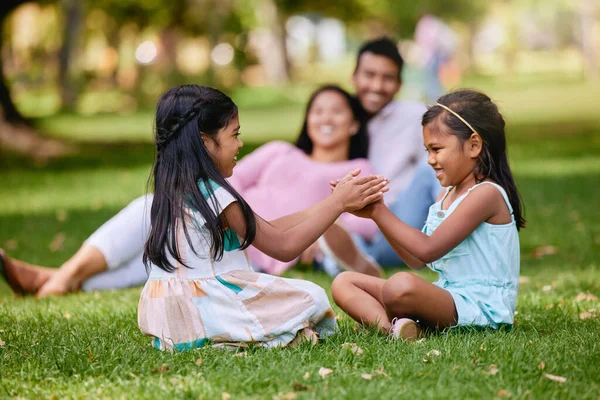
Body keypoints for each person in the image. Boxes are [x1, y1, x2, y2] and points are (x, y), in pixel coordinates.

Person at [0, 85, 381, 298]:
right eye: (318, 110)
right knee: (155, 229)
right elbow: (236, 191)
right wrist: (331, 204)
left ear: (353, 122)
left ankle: (51, 279)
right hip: (233, 231)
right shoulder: (279, 153)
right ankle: (63, 277)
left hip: (255, 243)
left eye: (336, 111)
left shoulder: (356, 170)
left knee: (159, 262)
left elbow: (361, 228)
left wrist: (332, 210)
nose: (326, 118)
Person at [137, 84, 388, 350]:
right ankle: (271, 335)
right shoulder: (217, 193)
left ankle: (263, 337)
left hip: (169, 317)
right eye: (235, 134)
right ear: (204, 141)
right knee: (311, 296)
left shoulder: (178, 188)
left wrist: (330, 204)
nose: (240, 143)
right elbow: (283, 246)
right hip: (208, 305)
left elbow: (267, 230)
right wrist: (338, 204)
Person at [331, 89, 525, 341]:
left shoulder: (486, 194)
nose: (430, 160)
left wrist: (380, 210)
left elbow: (428, 250)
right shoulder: (446, 194)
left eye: (436, 149)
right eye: (427, 151)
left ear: (474, 145)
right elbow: (416, 260)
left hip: (481, 308)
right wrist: (374, 213)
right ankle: (397, 330)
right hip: (448, 295)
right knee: (344, 282)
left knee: (401, 286)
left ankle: (394, 320)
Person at [320, 37, 442, 271]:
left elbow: (447, 166)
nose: (376, 86)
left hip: (401, 218)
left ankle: (459, 239)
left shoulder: (415, 117)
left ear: (399, 84)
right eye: (369, 75)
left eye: (387, 78)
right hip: (356, 224)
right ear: (354, 77)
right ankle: (345, 259)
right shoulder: (338, 116)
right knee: (343, 241)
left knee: (431, 170)